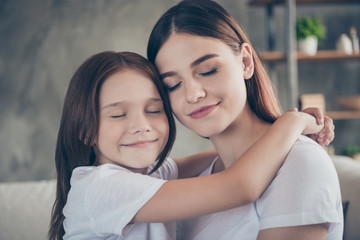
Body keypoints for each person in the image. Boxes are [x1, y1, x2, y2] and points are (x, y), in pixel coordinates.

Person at [49, 51, 331, 240]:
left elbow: (228, 156)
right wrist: (290, 123)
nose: (140, 125)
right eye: (118, 115)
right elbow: (238, 186)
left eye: (154, 110)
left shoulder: (149, 175)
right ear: (85, 131)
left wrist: (279, 142)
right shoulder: (101, 187)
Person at [147, 0, 342, 239]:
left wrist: (289, 126)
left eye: (208, 70)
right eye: (173, 85)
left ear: (246, 62)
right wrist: (289, 124)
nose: (192, 94)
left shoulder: (300, 161)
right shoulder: (197, 181)